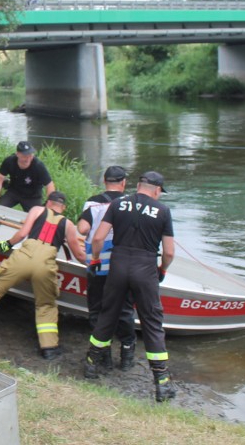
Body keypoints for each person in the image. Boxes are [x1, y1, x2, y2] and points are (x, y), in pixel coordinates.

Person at [0, 191, 85, 359]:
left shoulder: (37, 210)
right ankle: (49, 347)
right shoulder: (69, 225)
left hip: (24, 257)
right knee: (46, 304)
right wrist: (93, 266)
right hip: (45, 264)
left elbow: (22, 234)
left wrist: (6, 245)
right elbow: (79, 255)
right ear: (63, 207)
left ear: (48, 203)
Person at [84, 171, 177, 402]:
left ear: (138, 186)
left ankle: (91, 366)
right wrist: (162, 270)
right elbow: (169, 252)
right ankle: (162, 383)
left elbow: (97, 238)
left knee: (108, 314)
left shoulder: (118, 204)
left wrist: (95, 259)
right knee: (152, 323)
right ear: (157, 190)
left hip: (118, 264)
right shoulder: (163, 211)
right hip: (145, 268)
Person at [76, 166, 136, 371]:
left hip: (98, 264)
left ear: (104, 181)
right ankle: (127, 354)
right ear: (124, 183)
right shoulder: (130, 203)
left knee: (97, 310)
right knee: (125, 309)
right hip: (123, 265)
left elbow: (83, 229)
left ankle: (104, 354)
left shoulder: (93, 202)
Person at [0, 141, 55, 211]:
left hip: (32, 196)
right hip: (14, 192)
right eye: (25, 156)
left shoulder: (38, 166)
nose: (28, 158)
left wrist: (49, 204)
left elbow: (50, 185)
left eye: (30, 155)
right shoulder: (9, 161)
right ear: (17, 154)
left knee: (37, 217)